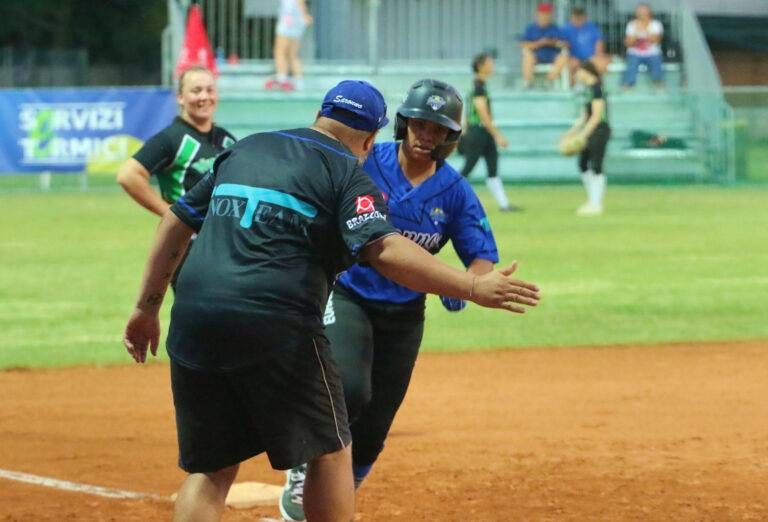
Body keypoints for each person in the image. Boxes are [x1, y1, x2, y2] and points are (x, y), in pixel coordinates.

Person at [122, 80, 541, 522]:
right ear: (373, 137)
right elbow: (384, 249)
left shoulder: (247, 147)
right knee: (332, 448)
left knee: (211, 470)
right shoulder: (349, 172)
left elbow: (174, 220)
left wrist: (146, 308)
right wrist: (471, 288)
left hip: (194, 313)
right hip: (280, 317)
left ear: (320, 115)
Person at [278, 79, 502, 522]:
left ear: (450, 137)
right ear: (403, 124)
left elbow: (481, 257)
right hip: (350, 294)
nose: (426, 136)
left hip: (404, 314)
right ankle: (304, 470)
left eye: (438, 130)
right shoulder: (368, 161)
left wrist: (465, 285)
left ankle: (342, 493)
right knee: (349, 388)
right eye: (420, 125)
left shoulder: (454, 191)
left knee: (377, 424)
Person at [117, 65, 236, 216]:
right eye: (196, 91)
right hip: (190, 231)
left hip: (222, 230)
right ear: (180, 97)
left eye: (210, 90)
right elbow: (128, 175)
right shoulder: (171, 138)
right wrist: (171, 215)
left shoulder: (227, 139)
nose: (204, 96)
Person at [460, 52, 521, 212]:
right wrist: (497, 135)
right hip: (478, 132)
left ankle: (504, 204)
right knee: (467, 168)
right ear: (481, 66)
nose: (493, 66)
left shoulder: (478, 85)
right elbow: (482, 113)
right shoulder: (479, 86)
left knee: (492, 168)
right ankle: (443, 198)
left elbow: (468, 110)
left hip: (480, 131)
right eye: (490, 63)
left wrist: (465, 127)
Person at [561, 61, 611, 216]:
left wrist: (583, 135)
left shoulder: (597, 88)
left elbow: (596, 116)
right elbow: (585, 116)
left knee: (596, 166)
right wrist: (570, 133)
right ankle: (592, 200)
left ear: (585, 71)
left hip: (599, 130)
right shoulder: (588, 89)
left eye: (578, 71)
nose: (577, 75)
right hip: (590, 130)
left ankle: (596, 204)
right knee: (583, 164)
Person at [265, 0, 313, 91]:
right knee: (292, 54)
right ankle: (299, 83)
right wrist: (304, 16)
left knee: (279, 51)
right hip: (296, 20)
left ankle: (282, 79)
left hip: (288, 20)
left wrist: (304, 14)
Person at [520, 2, 568, 89]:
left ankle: (548, 82)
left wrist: (552, 42)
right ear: (538, 14)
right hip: (536, 56)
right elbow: (524, 45)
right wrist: (539, 43)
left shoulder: (555, 28)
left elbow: (565, 45)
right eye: (543, 14)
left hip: (552, 56)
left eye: (547, 14)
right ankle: (528, 84)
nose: (545, 16)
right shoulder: (531, 28)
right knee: (527, 57)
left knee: (564, 58)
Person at [622, 3, 665, 89]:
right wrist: (636, 33)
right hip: (634, 53)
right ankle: (629, 83)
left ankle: (657, 82)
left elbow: (657, 40)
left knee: (656, 61)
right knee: (631, 63)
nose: (642, 14)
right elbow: (628, 43)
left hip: (653, 53)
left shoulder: (656, 24)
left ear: (649, 12)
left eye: (644, 11)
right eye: (640, 11)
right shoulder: (631, 25)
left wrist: (644, 29)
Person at [561, 7, 606, 82]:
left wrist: (597, 56)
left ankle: (598, 84)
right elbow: (561, 44)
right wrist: (568, 55)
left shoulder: (592, 28)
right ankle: (576, 86)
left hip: (590, 58)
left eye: (580, 18)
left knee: (601, 63)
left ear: (585, 18)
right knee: (571, 64)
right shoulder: (566, 29)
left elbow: (599, 43)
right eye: (576, 18)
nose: (578, 21)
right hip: (574, 59)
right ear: (572, 18)